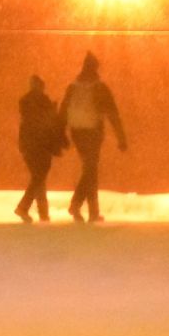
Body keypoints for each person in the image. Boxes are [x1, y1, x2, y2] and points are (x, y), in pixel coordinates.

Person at [58, 52, 127, 223]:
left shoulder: (72, 87)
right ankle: (80, 205)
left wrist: (61, 134)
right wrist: (121, 137)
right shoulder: (100, 88)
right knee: (91, 170)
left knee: (90, 169)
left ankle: (91, 210)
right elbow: (112, 114)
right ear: (95, 68)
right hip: (93, 132)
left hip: (77, 132)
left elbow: (63, 111)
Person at [15, 74, 65, 223]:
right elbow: (47, 122)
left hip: (29, 144)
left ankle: (43, 212)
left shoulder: (25, 102)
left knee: (38, 177)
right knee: (39, 177)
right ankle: (24, 207)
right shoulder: (43, 102)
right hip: (42, 144)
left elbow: (30, 121)